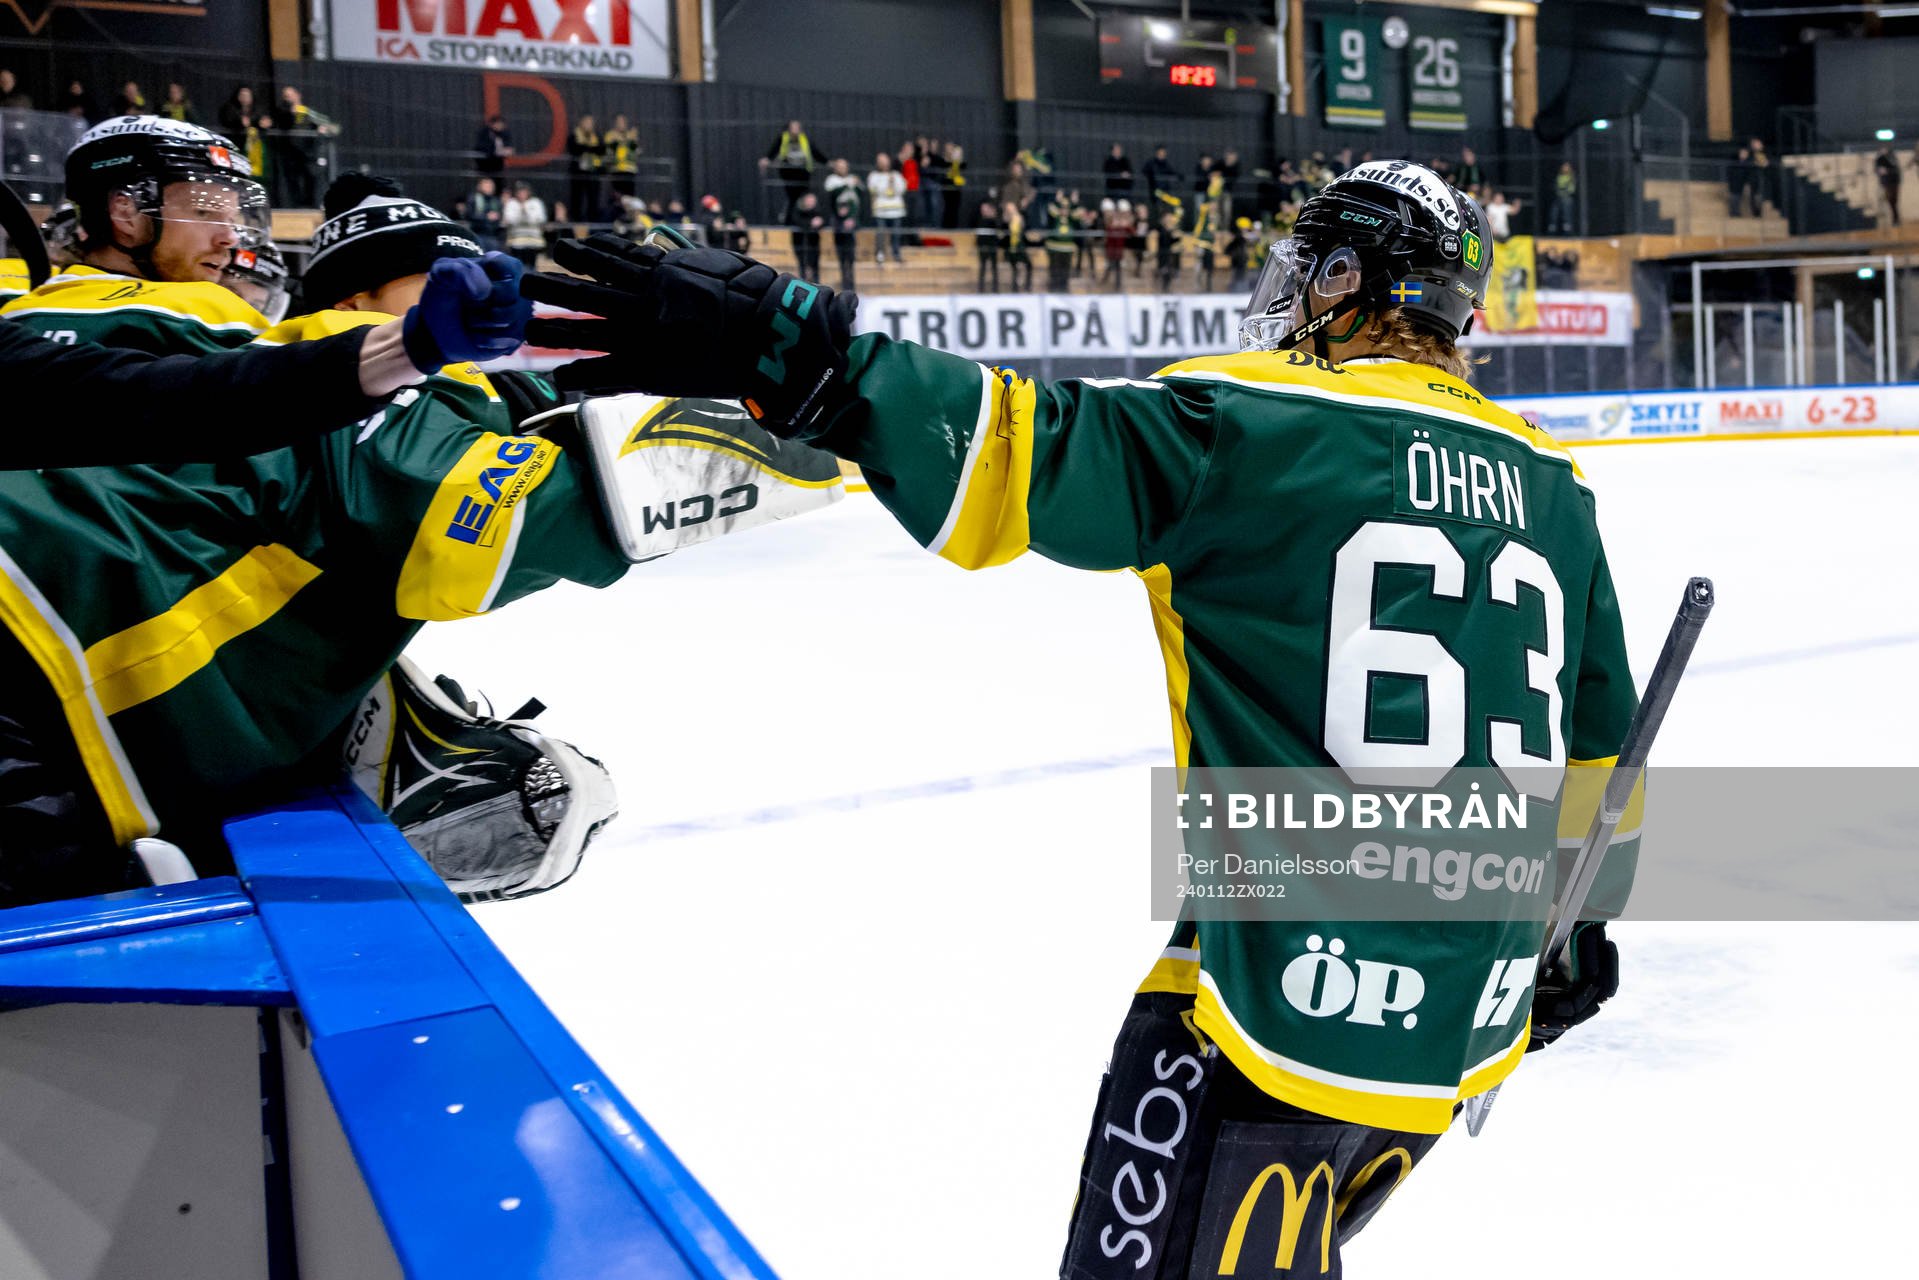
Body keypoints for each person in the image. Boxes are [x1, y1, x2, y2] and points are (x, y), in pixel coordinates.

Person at [523, 157, 1638, 1279]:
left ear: (1348, 278)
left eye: (1306, 269)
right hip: (1461, 1018)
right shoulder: (1553, 484)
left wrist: (812, 348)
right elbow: (1601, 752)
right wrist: (1579, 928)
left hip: (1267, 1006)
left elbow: (1013, 450)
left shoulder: (1251, 423)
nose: (1286, 293)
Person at [273, 86, 337, 207]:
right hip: (290, 154)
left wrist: (323, 128)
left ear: (298, 95)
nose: (288, 98)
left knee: (311, 180)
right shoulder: (282, 113)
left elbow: (331, 125)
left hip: (308, 153)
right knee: (292, 182)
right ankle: (295, 207)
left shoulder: (307, 112)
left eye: (290, 95)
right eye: (285, 96)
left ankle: (311, 205)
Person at [761, 119, 826, 220]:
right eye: (793, 127)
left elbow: (815, 152)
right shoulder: (783, 138)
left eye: (797, 127)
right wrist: (767, 159)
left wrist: (827, 162)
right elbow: (774, 149)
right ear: (789, 129)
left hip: (803, 172)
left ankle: (804, 218)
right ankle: (789, 219)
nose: (795, 129)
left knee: (804, 196)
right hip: (788, 172)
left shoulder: (804, 139)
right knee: (793, 197)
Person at [867, 152, 906, 265]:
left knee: (896, 234)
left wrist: (893, 183)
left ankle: (896, 254)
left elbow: (902, 189)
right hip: (881, 211)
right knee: (880, 234)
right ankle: (880, 255)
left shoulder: (897, 175)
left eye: (885, 161)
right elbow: (876, 190)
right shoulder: (873, 176)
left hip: (896, 210)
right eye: (881, 161)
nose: (883, 163)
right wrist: (887, 184)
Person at [828, 164, 862, 292]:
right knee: (841, 256)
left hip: (851, 221)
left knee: (851, 256)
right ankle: (844, 284)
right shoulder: (832, 180)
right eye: (840, 166)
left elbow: (859, 195)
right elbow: (833, 194)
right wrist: (847, 184)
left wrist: (852, 218)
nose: (843, 169)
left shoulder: (853, 179)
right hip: (838, 222)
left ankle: (851, 284)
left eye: (844, 166)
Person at [567, 114, 604, 223]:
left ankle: (593, 221)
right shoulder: (574, 136)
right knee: (577, 197)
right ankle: (576, 220)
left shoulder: (597, 136)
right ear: (581, 123)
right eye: (586, 122)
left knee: (593, 198)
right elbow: (575, 149)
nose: (589, 125)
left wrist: (586, 148)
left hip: (593, 171)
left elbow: (601, 150)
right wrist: (590, 148)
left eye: (591, 123)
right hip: (578, 171)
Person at [503, 180, 548, 267]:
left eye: (524, 191)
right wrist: (522, 215)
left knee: (531, 266)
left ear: (528, 192)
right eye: (519, 191)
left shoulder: (536, 202)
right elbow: (510, 220)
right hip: (516, 241)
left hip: (533, 241)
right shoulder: (511, 203)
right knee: (518, 266)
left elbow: (540, 219)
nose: (522, 193)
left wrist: (525, 211)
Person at [786, 190, 823, 283]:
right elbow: (795, 220)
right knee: (803, 265)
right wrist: (811, 223)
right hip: (800, 242)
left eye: (813, 201)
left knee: (814, 265)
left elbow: (824, 219)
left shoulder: (817, 210)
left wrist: (820, 221)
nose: (812, 203)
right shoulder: (797, 209)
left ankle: (817, 285)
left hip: (813, 243)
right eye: (810, 200)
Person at [604, 114, 640, 197]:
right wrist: (623, 140)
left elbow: (635, 151)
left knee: (630, 197)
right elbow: (609, 151)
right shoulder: (610, 135)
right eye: (619, 122)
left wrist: (633, 140)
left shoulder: (631, 135)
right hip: (616, 170)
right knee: (618, 196)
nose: (621, 124)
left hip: (630, 170)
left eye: (623, 122)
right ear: (615, 123)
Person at [467, 175, 504, 250]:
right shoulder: (473, 199)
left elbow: (500, 215)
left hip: (493, 235)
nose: (489, 188)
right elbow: (469, 215)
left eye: (491, 186)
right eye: (486, 185)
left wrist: (497, 217)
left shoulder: (496, 201)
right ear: (480, 186)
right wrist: (486, 217)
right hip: (478, 234)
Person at [972, 198, 1000, 292]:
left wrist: (993, 216)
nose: (983, 211)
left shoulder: (993, 220)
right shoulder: (979, 220)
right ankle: (981, 288)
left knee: (994, 267)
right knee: (983, 267)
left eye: (985, 209)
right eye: (982, 209)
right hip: (983, 247)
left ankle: (995, 288)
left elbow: (997, 232)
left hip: (992, 246)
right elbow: (978, 235)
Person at [475, 113, 514, 177]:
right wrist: (494, 150)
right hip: (485, 164)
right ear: (492, 124)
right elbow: (480, 147)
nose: (500, 126)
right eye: (498, 124)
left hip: (498, 165)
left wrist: (507, 150)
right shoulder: (484, 133)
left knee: (498, 181)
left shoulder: (505, 133)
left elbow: (509, 146)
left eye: (501, 124)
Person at [1876, 145, 1902, 227]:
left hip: (1894, 181)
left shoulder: (1892, 158)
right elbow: (1877, 170)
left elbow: (1896, 168)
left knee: (1894, 200)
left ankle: (1896, 218)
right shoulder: (1879, 159)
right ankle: (1895, 218)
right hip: (1886, 182)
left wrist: (1887, 170)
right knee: (1890, 199)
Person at [1548, 161, 1576, 234]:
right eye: (1564, 167)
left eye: (1566, 167)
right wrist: (1558, 190)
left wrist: (1563, 190)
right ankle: (1552, 230)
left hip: (1566, 198)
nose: (1565, 168)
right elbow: (1555, 186)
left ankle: (1567, 231)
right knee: (1554, 213)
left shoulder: (1571, 177)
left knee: (1566, 215)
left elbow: (1571, 189)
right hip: (1558, 198)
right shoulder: (1559, 176)